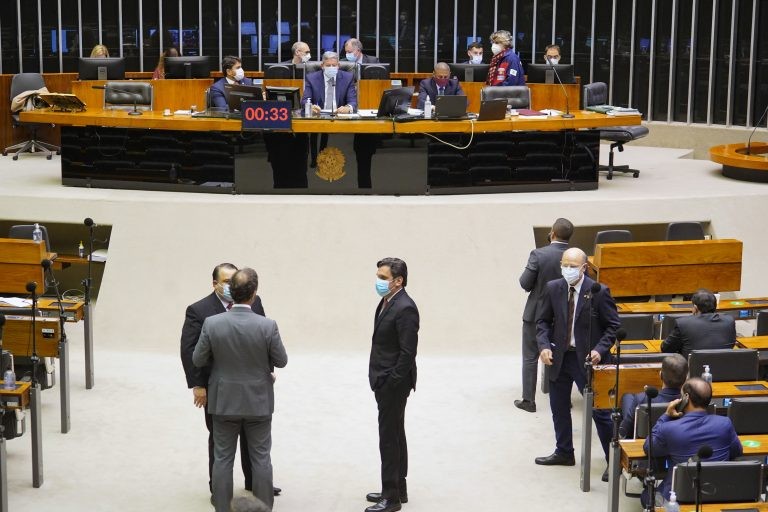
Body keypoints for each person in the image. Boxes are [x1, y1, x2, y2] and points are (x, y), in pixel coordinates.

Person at [193, 268, 288, 512]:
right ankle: (264, 508)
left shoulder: (212, 324)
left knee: (222, 458)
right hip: (258, 402)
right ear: (254, 294)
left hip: (224, 401)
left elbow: (198, 358)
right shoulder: (268, 325)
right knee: (261, 458)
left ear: (230, 292)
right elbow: (281, 359)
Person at [180, 263, 272, 499]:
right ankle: (218, 490)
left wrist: (267, 371)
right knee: (221, 442)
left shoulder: (255, 302)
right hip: (217, 388)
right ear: (215, 284)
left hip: (253, 387)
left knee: (253, 440)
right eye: (227, 281)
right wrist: (198, 386)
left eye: (235, 281)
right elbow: (190, 351)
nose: (233, 286)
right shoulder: (199, 311)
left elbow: (263, 339)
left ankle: (255, 483)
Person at [535, 247, 619, 482]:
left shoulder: (599, 291)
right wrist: (543, 346)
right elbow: (542, 321)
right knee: (559, 407)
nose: (568, 270)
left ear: (584, 268)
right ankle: (564, 452)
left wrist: (599, 350)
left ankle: (613, 462)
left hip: (588, 360)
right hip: (559, 357)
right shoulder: (554, 288)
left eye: (573, 266)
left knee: (601, 413)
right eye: (565, 265)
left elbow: (613, 326)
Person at [365, 258, 419, 512]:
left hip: (393, 383)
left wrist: (391, 381)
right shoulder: (387, 301)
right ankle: (398, 487)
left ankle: (391, 497)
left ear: (398, 281)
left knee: (388, 437)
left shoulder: (405, 307)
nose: (378, 281)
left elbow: (408, 352)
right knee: (395, 432)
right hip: (384, 379)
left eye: (383, 277)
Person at [644, 377, 742, 505]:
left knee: (646, 495)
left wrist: (666, 416)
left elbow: (648, 448)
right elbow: (737, 451)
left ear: (686, 397)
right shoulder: (725, 424)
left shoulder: (669, 428)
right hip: (718, 494)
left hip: (678, 499)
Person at [516, 218, 573, 413]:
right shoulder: (575, 256)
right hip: (564, 315)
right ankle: (560, 396)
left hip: (536, 313)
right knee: (559, 353)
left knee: (531, 356)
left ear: (552, 233)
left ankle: (528, 400)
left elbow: (525, 283)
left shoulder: (538, 254)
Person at [619, 353, 687, 438]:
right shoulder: (690, 403)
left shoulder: (643, 398)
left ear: (660, 375)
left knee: (627, 397)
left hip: (643, 446)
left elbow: (623, 432)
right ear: (685, 379)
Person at [660, 289, 737, 358]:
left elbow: (666, 348)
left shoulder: (684, 323)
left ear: (695, 308)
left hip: (692, 371)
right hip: (723, 369)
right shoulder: (729, 320)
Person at [301, 51, 356, 115]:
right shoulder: (311, 78)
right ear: (322, 66)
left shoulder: (348, 78)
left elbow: (353, 101)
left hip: (340, 116)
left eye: (334, 65)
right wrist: (310, 107)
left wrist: (348, 108)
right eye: (328, 65)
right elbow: (305, 100)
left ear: (338, 66)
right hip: (319, 116)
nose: (331, 67)